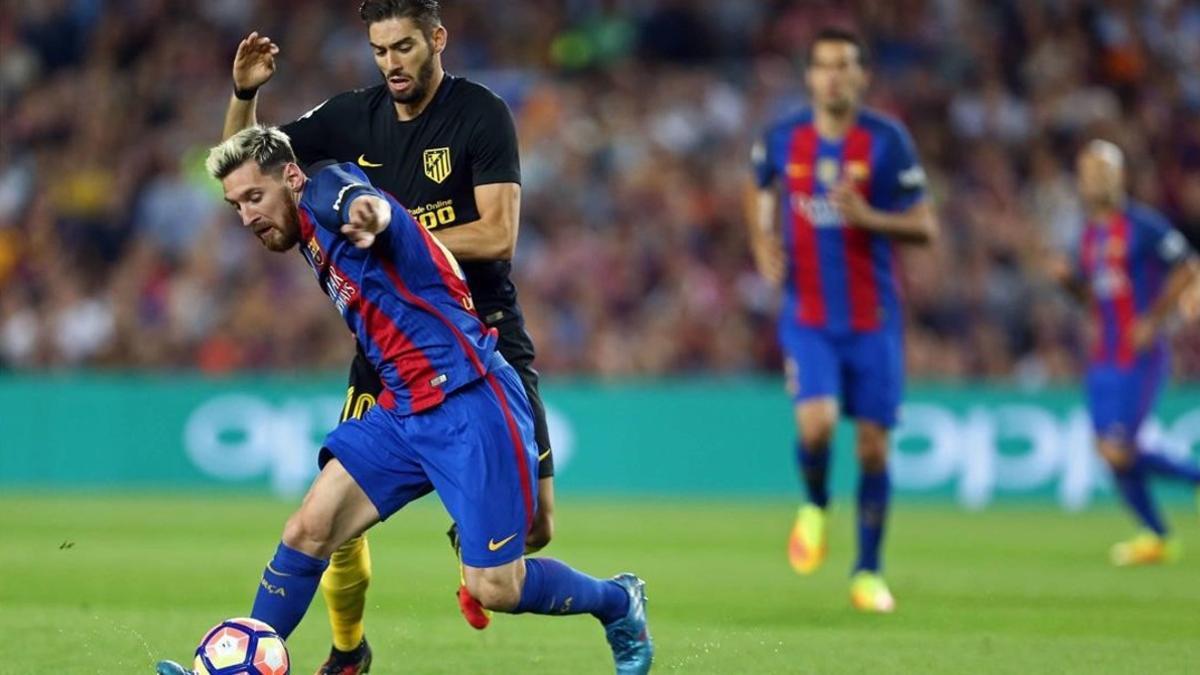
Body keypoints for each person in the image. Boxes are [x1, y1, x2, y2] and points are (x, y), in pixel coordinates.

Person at [155, 125, 653, 675]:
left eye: (255, 197)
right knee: (307, 531)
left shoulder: (324, 192)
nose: (247, 216)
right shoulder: (306, 233)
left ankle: (617, 601)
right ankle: (240, 666)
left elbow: (360, 199)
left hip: (469, 401)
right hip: (404, 410)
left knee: (495, 586)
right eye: (235, 205)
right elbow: (257, 152)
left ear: (291, 177)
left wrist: (373, 213)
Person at [222, 1, 556, 668]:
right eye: (379, 50)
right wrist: (244, 96)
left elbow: (498, 233)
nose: (391, 63)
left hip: (479, 333)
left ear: (436, 39)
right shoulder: (353, 116)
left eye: (403, 47)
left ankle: (479, 537)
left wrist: (397, 235)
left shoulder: (479, 114)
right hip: (385, 353)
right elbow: (247, 167)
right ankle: (348, 649)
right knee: (328, 525)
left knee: (536, 526)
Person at [747, 27, 937, 613]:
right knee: (818, 425)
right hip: (808, 316)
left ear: (861, 76)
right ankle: (815, 503)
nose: (834, 75)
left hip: (873, 319)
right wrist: (761, 243)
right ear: (810, 76)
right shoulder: (783, 136)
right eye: (824, 65)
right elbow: (758, 189)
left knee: (875, 449)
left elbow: (924, 227)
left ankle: (868, 572)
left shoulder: (886, 141)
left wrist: (871, 216)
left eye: (845, 65)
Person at [1048, 140, 1200, 565]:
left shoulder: (1144, 225)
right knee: (1107, 450)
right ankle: (1155, 536)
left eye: (1104, 170)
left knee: (1120, 448)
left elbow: (1188, 267)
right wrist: (1067, 283)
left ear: (1121, 176)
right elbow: (1092, 299)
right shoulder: (1087, 236)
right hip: (1103, 355)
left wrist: (1153, 320)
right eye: (1089, 172)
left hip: (1141, 354)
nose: (1096, 179)